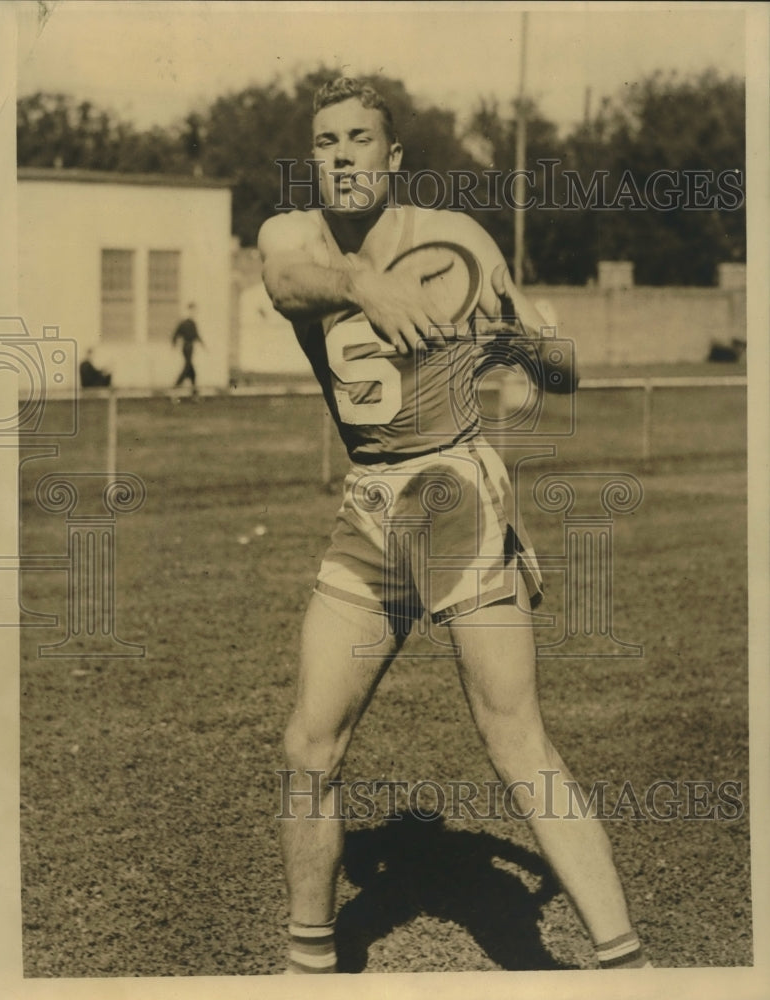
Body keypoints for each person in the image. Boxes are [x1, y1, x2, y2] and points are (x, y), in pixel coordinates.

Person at [258, 76, 650, 974]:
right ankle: (307, 965)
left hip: (457, 495)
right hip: (369, 506)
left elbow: (555, 373)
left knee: (514, 735)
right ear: (311, 159)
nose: (343, 155)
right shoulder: (294, 237)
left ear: (392, 158)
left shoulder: (454, 238)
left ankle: (625, 965)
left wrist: (535, 349)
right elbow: (287, 286)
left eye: (360, 139)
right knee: (307, 745)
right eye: (326, 142)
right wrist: (364, 282)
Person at [172, 302, 204, 392]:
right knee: (187, 367)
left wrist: (203, 345)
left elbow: (196, 335)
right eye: (192, 310)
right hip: (187, 346)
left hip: (190, 346)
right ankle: (176, 386)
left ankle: (194, 392)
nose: (194, 312)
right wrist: (174, 344)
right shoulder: (184, 323)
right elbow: (176, 333)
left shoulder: (193, 323)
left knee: (191, 370)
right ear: (188, 311)